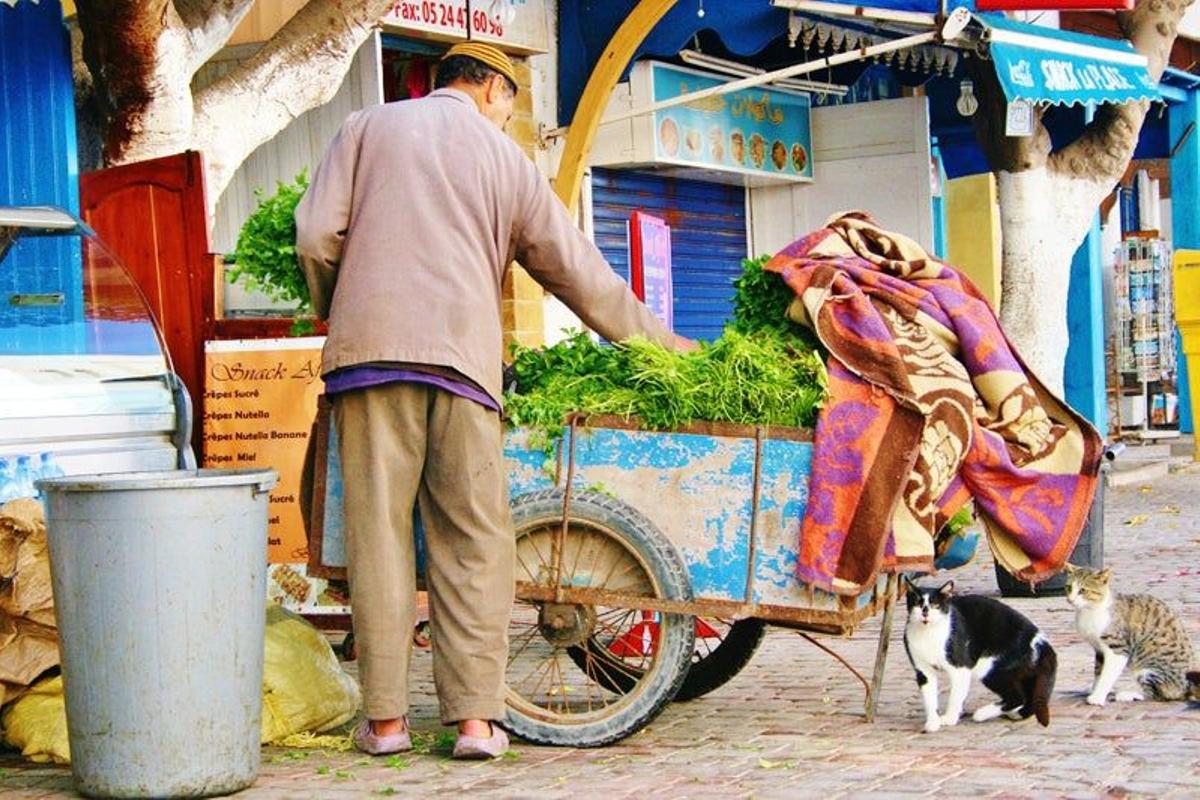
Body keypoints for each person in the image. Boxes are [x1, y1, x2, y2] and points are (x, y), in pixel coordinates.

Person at [295, 41, 692, 760]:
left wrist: (342, 311)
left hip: (368, 363)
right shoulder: (507, 160)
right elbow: (578, 273)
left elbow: (316, 235)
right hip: (464, 368)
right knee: (475, 540)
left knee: (378, 538)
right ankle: (476, 721)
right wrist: (665, 349)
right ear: (491, 90)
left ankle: (385, 723)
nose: (507, 115)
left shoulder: (365, 128)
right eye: (509, 102)